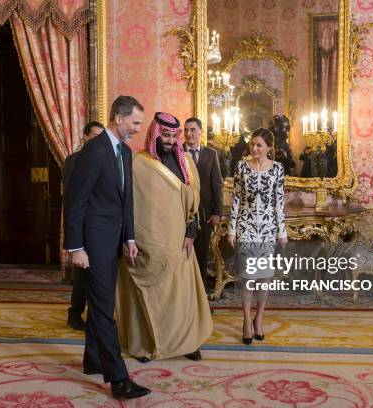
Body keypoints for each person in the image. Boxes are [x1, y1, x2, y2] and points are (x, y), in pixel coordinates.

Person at [64, 96, 150, 399]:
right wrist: (76, 247)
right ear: (118, 118)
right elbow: (75, 201)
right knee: (102, 311)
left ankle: (94, 361)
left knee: (103, 305)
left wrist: (129, 238)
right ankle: (119, 379)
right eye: (135, 122)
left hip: (113, 244)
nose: (139, 128)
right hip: (92, 245)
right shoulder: (93, 152)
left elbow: (126, 200)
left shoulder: (125, 152)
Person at [116, 112, 213, 362]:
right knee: (150, 297)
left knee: (181, 296)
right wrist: (129, 239)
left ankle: (186, 343)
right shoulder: (137, 164)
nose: (170, 141)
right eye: (165, 135)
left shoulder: (186, 164)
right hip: (147, 243)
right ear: (155, 134)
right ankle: (146, 343)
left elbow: (195, 201)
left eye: (173, 136)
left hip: (179, 243)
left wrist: (191, 233)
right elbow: (126, 204)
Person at [227, 128, 288, 344]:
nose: (254, 148)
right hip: (246, 228)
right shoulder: (242, 166)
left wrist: (282, 231)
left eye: (259, 145)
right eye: (253, 144)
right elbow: (236, 199)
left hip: (268, 230)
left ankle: (259, 319)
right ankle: (245, 320)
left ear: (269, 148)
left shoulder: (278, 169)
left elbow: (279, 202)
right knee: (247, 279)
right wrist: (231, 229)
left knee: (264, 279)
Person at [65, 120, 104, 331]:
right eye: (95, 136)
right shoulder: (74, 161)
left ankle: (89, 313)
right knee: (83, 273)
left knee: (90, 275)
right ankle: (75, 312)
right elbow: (73, 200)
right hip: (82, 226)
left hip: (99, 227)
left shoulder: (104, 157)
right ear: (85, 137)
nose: (99, 140)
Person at [183, 117, 224, 291]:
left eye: (192, 130)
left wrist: (217, 212)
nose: (189, 133)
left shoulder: (211, 154)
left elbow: (217, 185)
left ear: (200, 132)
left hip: (205, 216)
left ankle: (202, 301)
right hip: (182, 214)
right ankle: (185, 298)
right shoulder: (177, 153)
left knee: (201, 257)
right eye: (186, 130)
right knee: (183, 257)